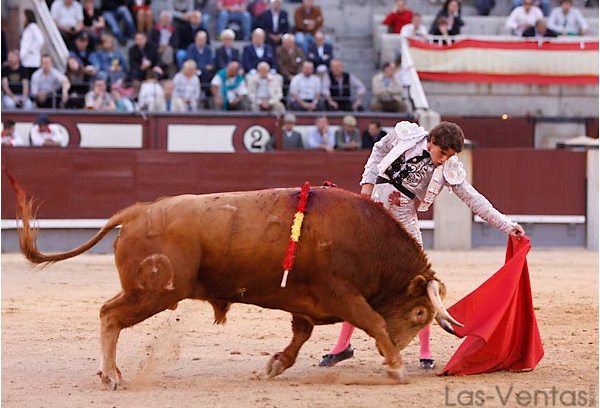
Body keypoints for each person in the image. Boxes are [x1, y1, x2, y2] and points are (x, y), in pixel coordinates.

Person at [318, 121, 525, 370]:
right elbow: (379, 149)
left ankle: (425, 351)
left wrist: (507, 225)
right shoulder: (407, 135)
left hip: (404, 219)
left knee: (421, 285)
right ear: (432, 141)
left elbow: (473, 199)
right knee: (358, 280)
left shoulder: (448, 167)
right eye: (442, 153)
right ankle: (342, 347)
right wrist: (367, 185)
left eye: (449, 157)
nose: (443, 161)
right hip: (373, 215)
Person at [149, 11, 180, 77]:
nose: (165, 21)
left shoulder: (174, 29)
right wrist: (159, 47)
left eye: (167, 19)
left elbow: (176, 42)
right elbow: (151, 41)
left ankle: (162, 66)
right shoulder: (154, 29)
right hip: (157, 48)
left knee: (168, 51)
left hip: (169, 49)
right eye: (164, 19)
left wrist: (166, 47)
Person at [20, 9, 45, 79]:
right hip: (25, 61)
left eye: (23, 16)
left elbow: (41, 40)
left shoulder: (33, 27)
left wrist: (31, 50)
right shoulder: (26, 29)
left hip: (32, 61)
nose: (22, 18)